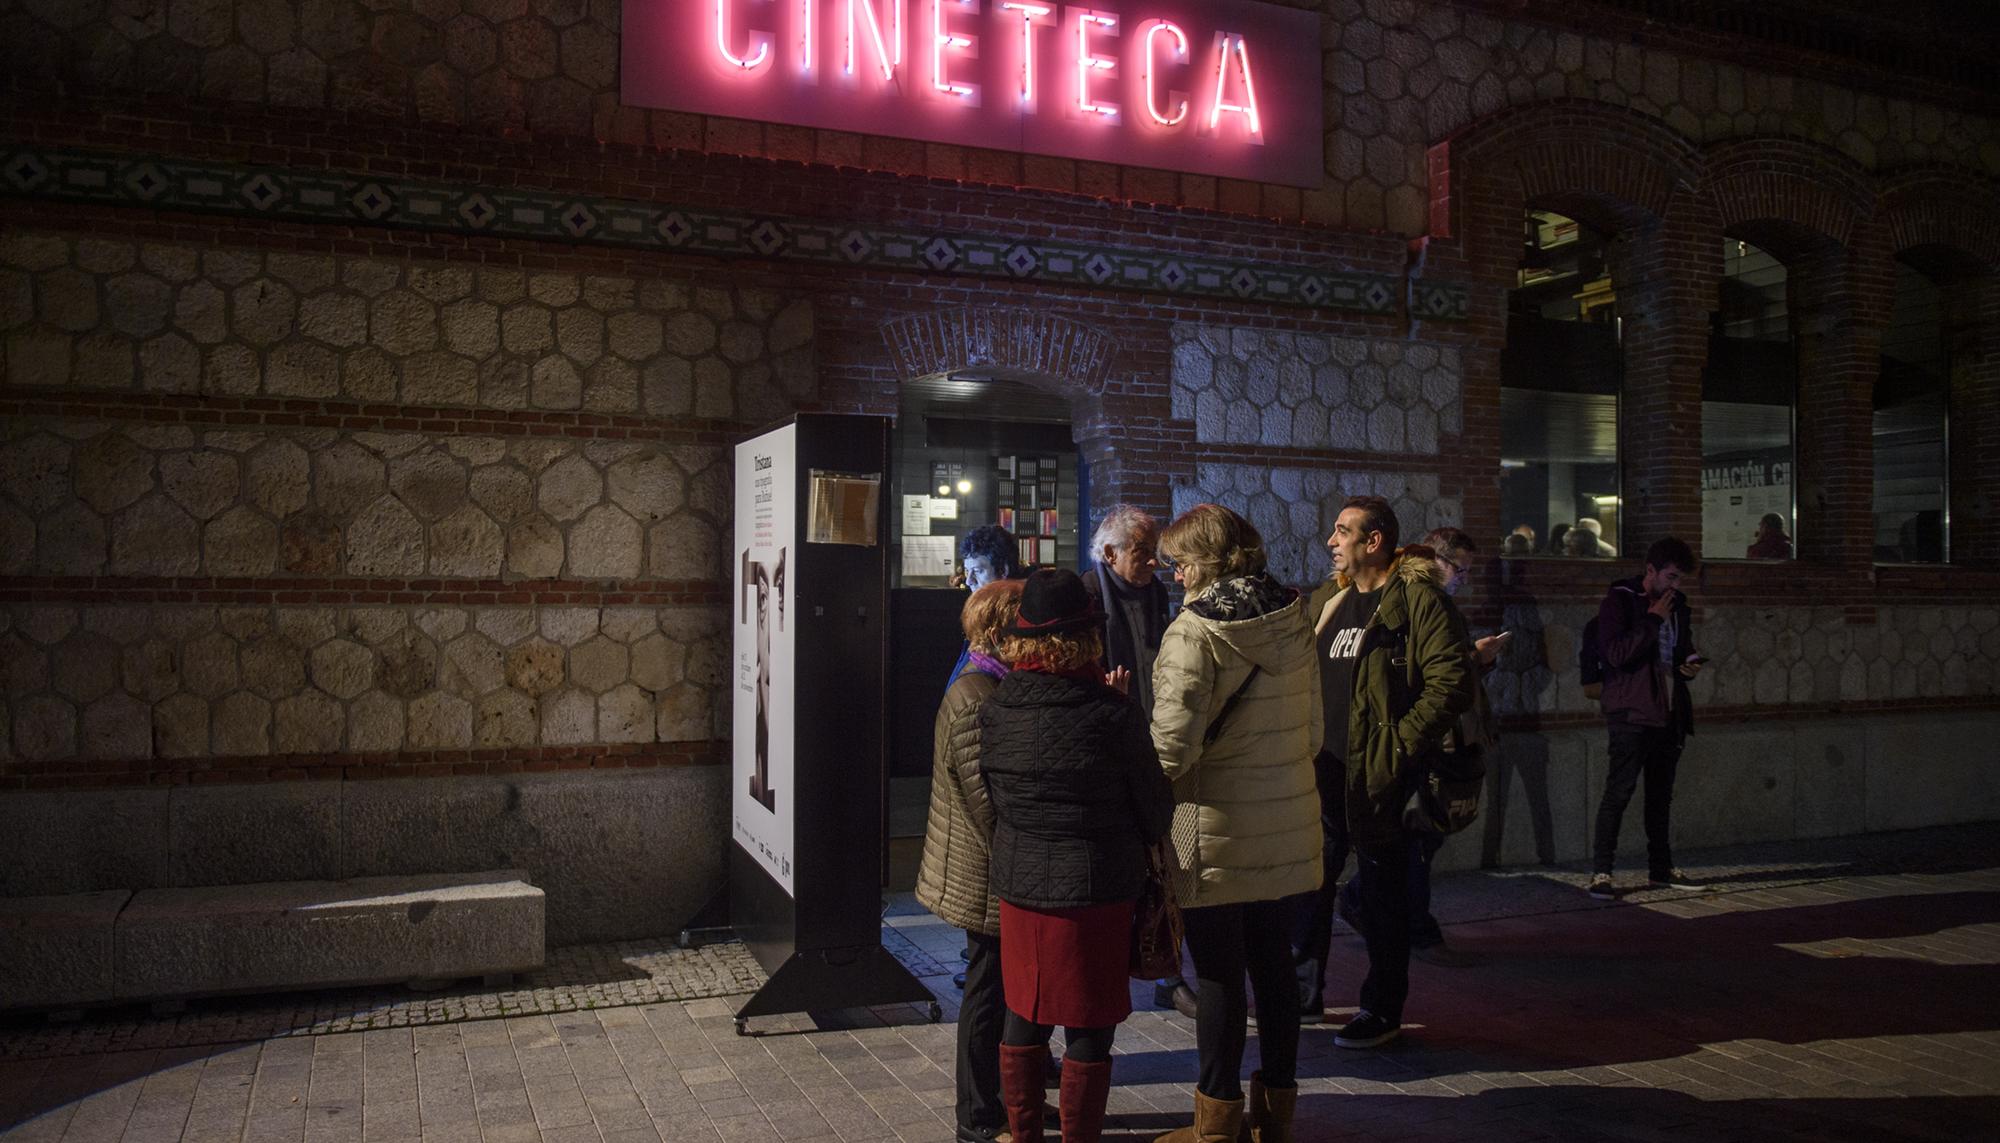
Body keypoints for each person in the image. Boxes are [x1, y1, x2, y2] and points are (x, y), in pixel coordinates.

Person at [981, 569, 1174, 1143]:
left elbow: (994, 797)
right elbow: (1155, 811)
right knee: (1089, 1022)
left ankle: (1023, 1136)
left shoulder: (995, 709)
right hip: (1096, 889)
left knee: (1024, 1010)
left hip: (1020, 882)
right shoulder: (1113, 714)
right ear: (1086, 640)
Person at [1149, 504, 1321, 1143]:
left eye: (1181, 562)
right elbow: (1314, 728)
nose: (1175, 576)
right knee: (1274, 963)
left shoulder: (1194, 631)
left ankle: (1215, 1122)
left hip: (1213, 823)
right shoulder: (1293, 615)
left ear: (1208, 562)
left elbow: (1172, 748)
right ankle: (1275, 1115)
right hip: (1285, 816)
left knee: (1218, 971)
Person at [1292, 496, 1473, 1051]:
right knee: (1310, 886)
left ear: (1374, 542)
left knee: (1383, 896)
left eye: (1342, 531)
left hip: (1379, 778)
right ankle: (1302, 995)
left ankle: (1381, 1008)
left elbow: (1451, 682)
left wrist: (1397, 746)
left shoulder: (1418, 602)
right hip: (1323, 772)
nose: (1331, 541)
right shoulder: (1331, 597)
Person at [916, 581, 1024, 1143]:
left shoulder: (991, 682)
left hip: (986, 865)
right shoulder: (979, 692)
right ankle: (978, 1120)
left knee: (1001, 991)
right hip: (981, 870)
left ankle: (1009, 1105)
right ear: (999, 629)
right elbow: (988, 800)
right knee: (986, 994)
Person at [1404, 528, 1506, 965]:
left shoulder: (1439, 604)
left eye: (1467, 570)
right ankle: (1413, 927)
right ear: (1435, 560)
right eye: (1458, 568)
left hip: (1450, 737)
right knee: (1420, 840)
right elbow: (1427, 675)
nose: (1463, 578)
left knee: (1425, 840)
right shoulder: (1420, 603)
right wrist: (1474, 659)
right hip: (1432, 742)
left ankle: (1395, 916)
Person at [1587, 537, 1704, 899]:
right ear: (1650, 571)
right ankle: (1602, 872)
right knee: (1618, 792)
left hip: (1669, 711)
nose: (1675, 586)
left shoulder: (1679, 605)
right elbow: (1617, 654)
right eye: (1670, 576)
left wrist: (1689, 665)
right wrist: (1653, 620)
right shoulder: (1621, 600)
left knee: (1660, 795)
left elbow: (1681, 650)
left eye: (1680, 579)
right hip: (1632, 712)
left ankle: (1661, 867)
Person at [947, 525, 1022, 685]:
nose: (968, 581)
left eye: (978, 571)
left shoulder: (1014, 619)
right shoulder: (982, 613)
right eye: (967, 572)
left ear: (1003, 570)